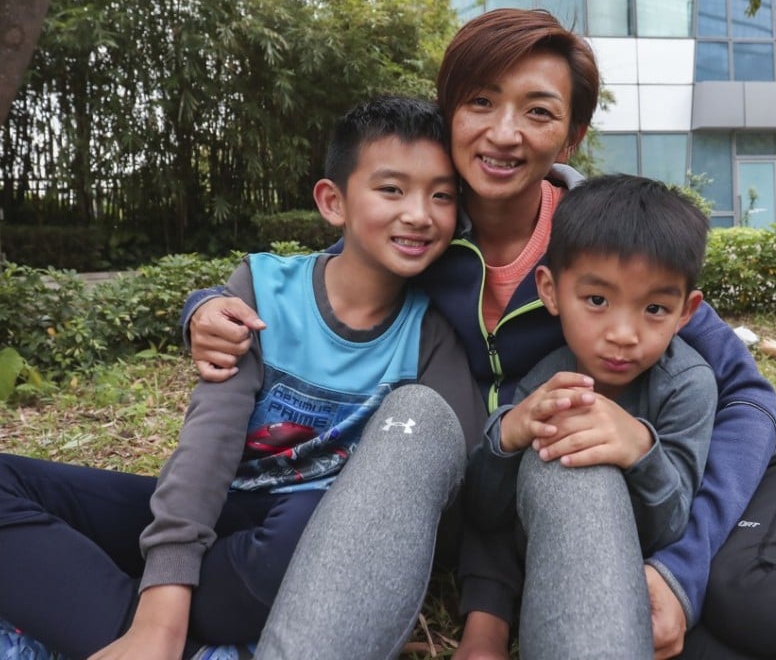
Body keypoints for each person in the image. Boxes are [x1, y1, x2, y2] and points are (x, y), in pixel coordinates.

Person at [183, 9, 776, 660]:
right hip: (583, 480)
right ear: (449, 116)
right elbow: (323, 273)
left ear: (570, 135)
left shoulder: (608, 252)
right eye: (480, 103)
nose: (505, 133)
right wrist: (204, 307)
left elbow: (748, 401)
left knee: (730, 589)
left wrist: (683, 571)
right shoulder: (425, 242)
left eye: (537, 111)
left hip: (743, 470)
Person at [0, 94, 485, 660]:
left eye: (442, 195)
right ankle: (156, 633)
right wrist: (164, 599)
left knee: (311, 518)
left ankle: (119, 617)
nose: (420, 213)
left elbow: (452, 482)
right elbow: (210, 442)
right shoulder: (263, 288)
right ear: (334, 202)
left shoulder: (431, 337)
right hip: (218, 516)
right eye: (392, 189)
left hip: (298, 551)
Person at [462, 174, 717, 656]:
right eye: (597, 301)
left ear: (687, 312)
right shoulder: (548, 379)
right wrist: (508, 435)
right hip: (549, 552)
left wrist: (642, 450)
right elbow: (486, 512)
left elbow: (671, 527)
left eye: (655, 308)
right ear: (551, 291)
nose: (623, 333)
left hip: (621, 577)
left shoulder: (687, 385)